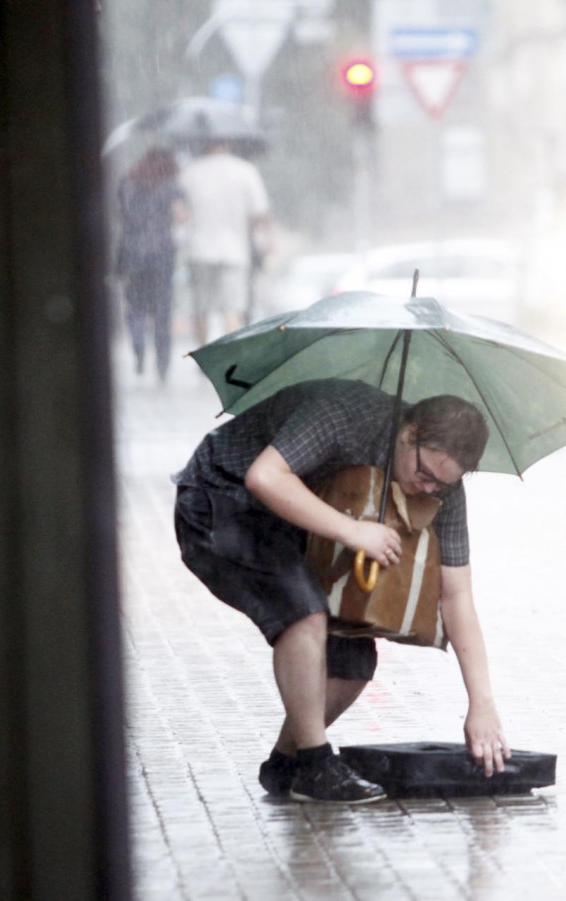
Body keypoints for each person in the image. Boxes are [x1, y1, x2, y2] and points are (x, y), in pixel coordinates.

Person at [172, 379, 509, 803]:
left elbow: (456, 596)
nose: (429, 489)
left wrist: (481, 702)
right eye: (424, 475)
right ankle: (316, 765)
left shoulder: (444, 489)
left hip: (295, 526)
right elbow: (264, 477)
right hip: (220, 499)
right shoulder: (344, 414)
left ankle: (286, 766)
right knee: (304, 613)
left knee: (352, 659)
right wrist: (353, 531)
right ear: (410, 434)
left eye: (440, 485)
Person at [178, 140, 271, 345]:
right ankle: (230, 354)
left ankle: (203, 354)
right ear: (229, 144)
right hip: (235, 251)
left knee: (201, 308)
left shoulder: (191, 172)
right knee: (233, 309)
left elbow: (180, 213)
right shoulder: (245, 171)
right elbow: (259, 212)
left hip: (199, 249)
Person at [116, 147, 185, 381]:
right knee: (162, 309)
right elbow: (180, 216)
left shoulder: (127, 182)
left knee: (135, 305)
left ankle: (138, 345)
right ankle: (162, 364)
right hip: (161, 253)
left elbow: (119, 213)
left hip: (132, 251)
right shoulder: (171, 184)